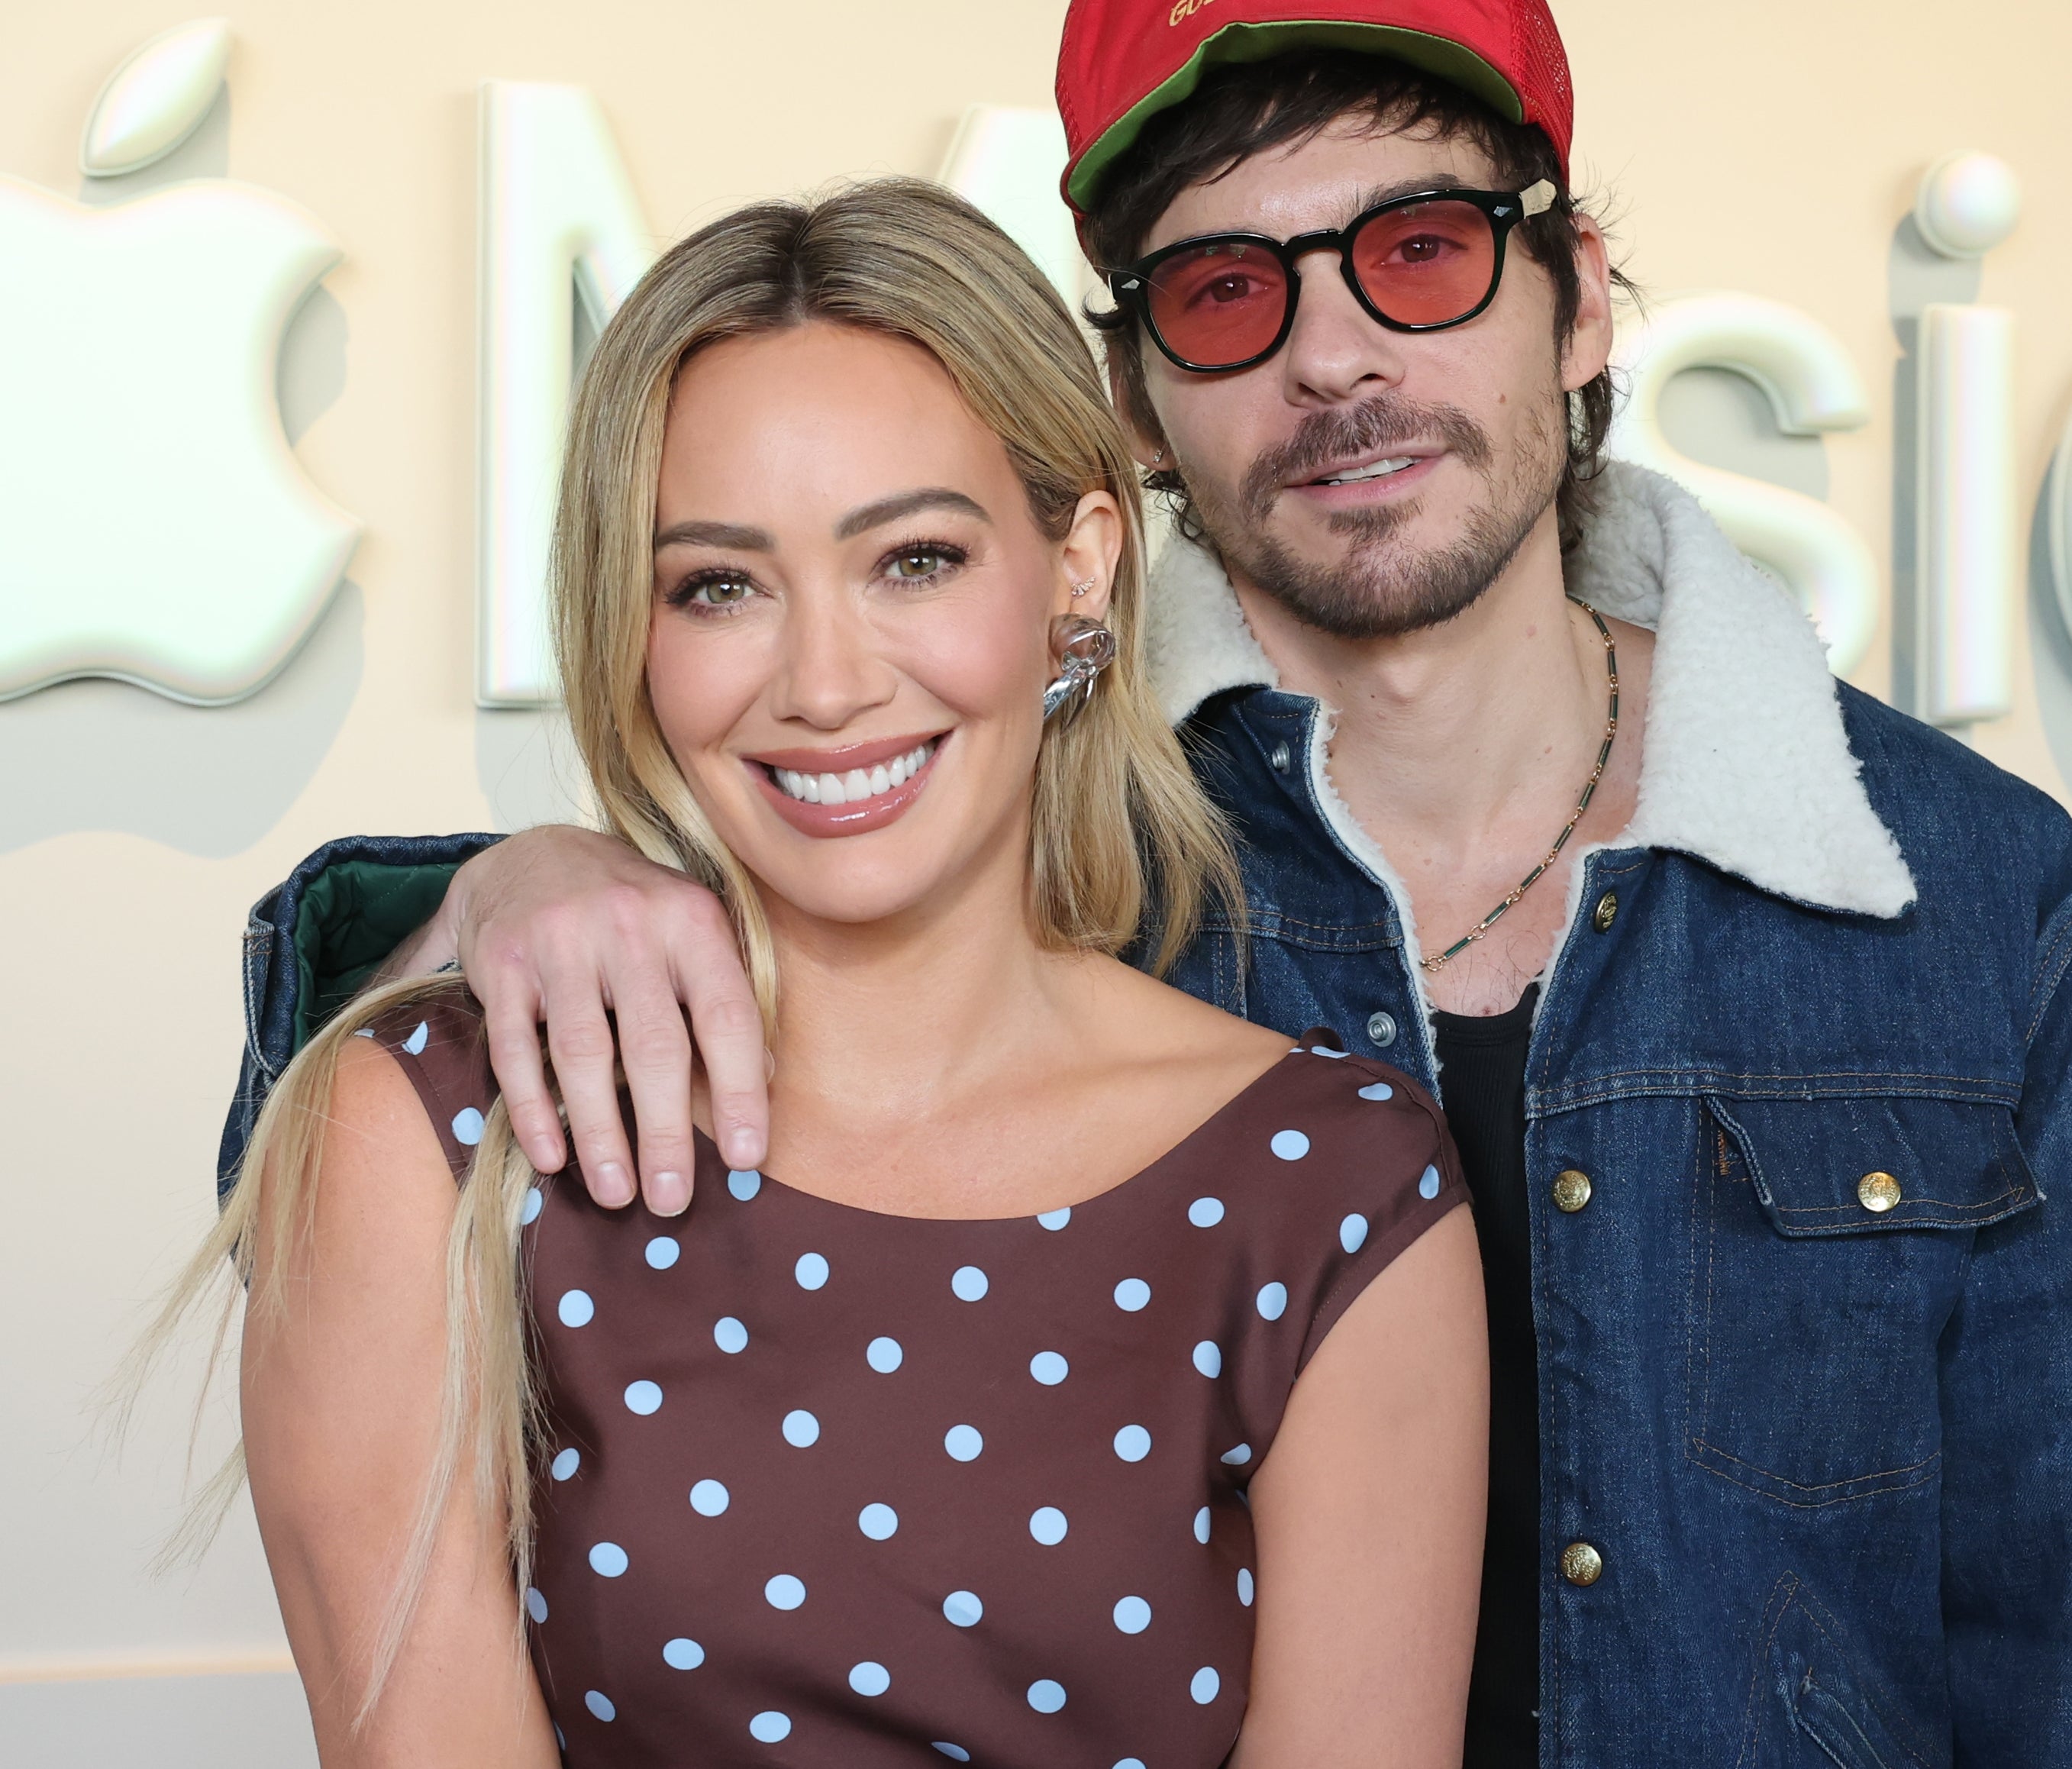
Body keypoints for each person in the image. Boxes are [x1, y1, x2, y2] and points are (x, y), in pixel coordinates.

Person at [221, 2, 2072, 1764]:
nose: (1334, 357)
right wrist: (510, 885)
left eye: (1419, 250)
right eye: (1224, 292)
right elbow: (491, 1077)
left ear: (1577, 296)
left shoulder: (1983, 903)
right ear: (1129, 396)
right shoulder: (1014, 834)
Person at [186, 179, 1486, 1764]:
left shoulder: (1335, 1187)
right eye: (718, 584)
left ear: (1074, 563)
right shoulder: (431, 1139)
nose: (823, 681)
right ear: (629, 625)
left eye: (915, 560)